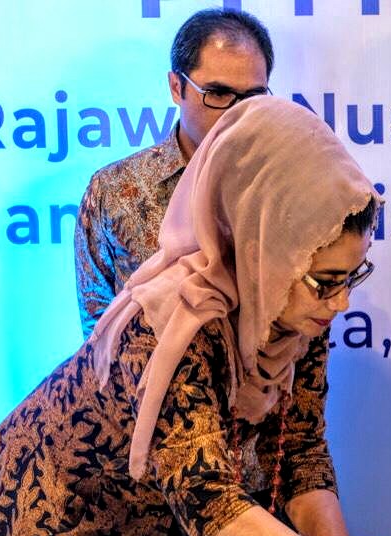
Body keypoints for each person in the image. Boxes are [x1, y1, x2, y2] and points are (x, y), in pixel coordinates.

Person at [0, 97, 391, 536]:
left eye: (352, 275)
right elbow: (210, 498)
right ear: (265, 250)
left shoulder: (292, 306)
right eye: (326, 281)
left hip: (165, 512)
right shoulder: (171, 322)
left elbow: (299, 446)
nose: (341, 302)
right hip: (70, 507)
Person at [75, 7, 273, 336]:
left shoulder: (283, 186)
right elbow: (99, 334)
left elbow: (308, 326)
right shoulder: (113, 190)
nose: (237, 113)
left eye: (253, 96)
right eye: (218, 94)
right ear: (176, 87)